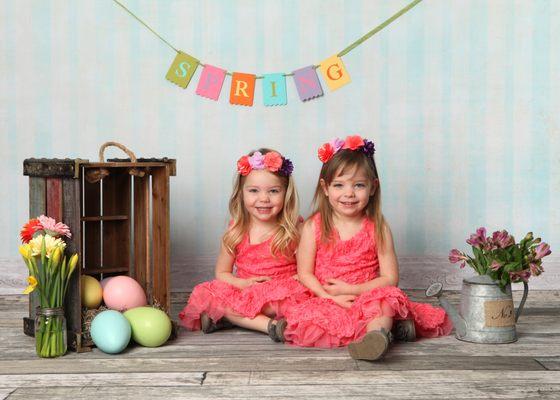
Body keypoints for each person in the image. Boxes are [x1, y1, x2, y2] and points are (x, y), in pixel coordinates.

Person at [283, 135, 452, 360]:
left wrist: (351, 290)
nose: (349, 194)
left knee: (385, 300)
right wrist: (329, 296)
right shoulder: (314, 226)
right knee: (313, 320)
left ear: (373, 187)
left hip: (365, 296)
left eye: (359, 185)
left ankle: (376, 337)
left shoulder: (378, 228)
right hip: (327, 298)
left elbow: (390, 279)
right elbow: (303, 272)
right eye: (339, 185)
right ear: (325, 187)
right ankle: (396, 330)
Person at [179, 148, 308, 342]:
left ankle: (230, 318)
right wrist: (243, 283)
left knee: (291, 303)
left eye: (273, 191)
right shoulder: (236, 230)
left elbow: (307, 270)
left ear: (286, 193)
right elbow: (222, 273)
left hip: (280, 294)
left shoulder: (295, 229)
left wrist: (282, 286)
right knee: (210, 294)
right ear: (241, 193)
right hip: (246, 291)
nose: (263, 199)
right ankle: (270, 327)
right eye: (254, 190)